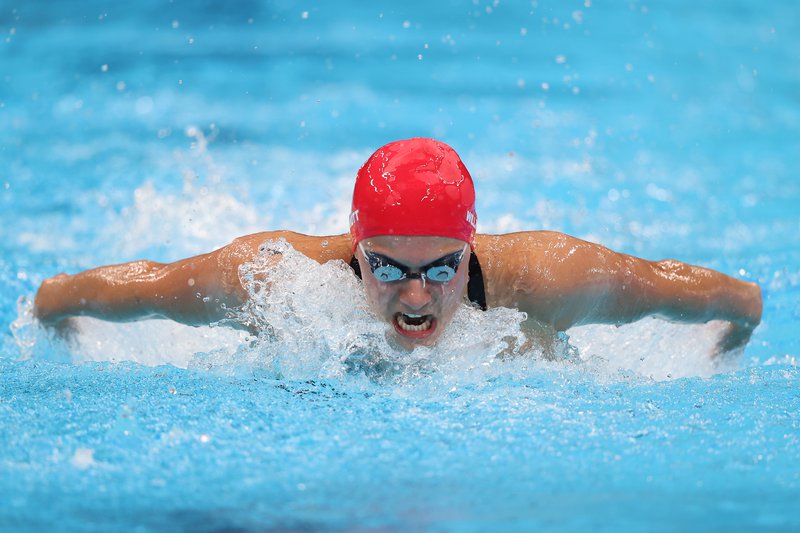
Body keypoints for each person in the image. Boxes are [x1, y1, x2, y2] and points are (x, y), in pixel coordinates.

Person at [33, 138, 762, 354]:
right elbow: (134, 286)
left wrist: (734, 335)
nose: (415, 297)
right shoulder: (272, 280)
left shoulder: (551, 278)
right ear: (355, 250)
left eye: (442, 268)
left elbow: (711, 294)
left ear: (471, 253)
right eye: (386, 267)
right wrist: (56, 311)